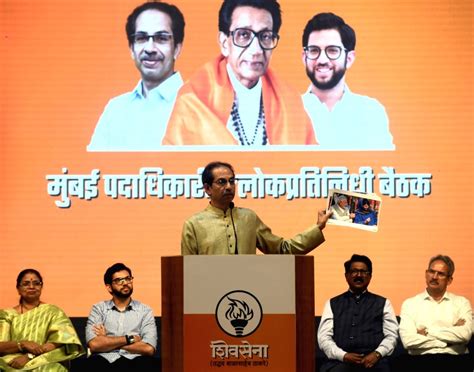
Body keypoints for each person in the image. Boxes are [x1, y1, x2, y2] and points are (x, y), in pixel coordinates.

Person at [163, 0, 315, 146]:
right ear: (224, 43)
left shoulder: (290, 101)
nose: (256, 50)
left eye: (266, 36)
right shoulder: (193, 99)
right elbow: (175, 165)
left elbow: (311, 162)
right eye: (243, 35)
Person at [87, 2, 185, 151]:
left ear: (177, 48)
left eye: (161, 38)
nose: (150, 49)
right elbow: (93, 168)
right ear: (131, 49)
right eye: (141, 38)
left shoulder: (199, 106)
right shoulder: (116, 109)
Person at [181, 161, 331, 255]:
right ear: (207, 188)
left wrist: (318, 227)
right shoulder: (194, 224)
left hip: (248, 295)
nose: (229, 187)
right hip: (208, 298)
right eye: (221, 182)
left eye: (232, 181)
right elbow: (186, 272)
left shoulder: (248, 218)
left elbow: (282, 249)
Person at [301, 13, 394, 150]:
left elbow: (385, 166)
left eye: (332, 50)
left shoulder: (371, 112)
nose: (322, 60)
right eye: (314, 50)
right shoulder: (286, 110)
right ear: (304, 57)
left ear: (349, 59)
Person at [317, 254, 398, 372]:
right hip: (340, 362)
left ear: (370, 276)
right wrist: (343, 355)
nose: (359, 275)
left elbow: (392, 336)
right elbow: (324, 338)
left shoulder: (384, 303)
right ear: (346, 276)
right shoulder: (332, 303)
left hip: (374, 362)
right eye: (354, 271)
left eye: (363, 272)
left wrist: (377, 354)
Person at [74, 263, 159, 371]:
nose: (125, 283)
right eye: (119, 280)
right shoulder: (99, 309)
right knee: (83, 365)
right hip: (104, 360)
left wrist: (108, 342)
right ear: (109, 287)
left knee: (152, 365)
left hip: (135, 360)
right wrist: (130, 339)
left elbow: (148, 349)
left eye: (128, 279)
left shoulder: (145, 310)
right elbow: (95, 345)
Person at [397, 254, 472, 372]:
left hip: (456, 360)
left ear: (449, 280)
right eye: (431, 272)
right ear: (426, 274)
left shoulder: (462, 303)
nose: (434, 277)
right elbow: (408, 341)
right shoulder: (410, 304)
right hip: (420, 362)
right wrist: (448, 340)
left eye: (441, 274)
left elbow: (465, 335)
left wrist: (427, 332)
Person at [0, 269, 84, 371]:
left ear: (41, 287)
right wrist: (22, 344)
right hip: (12, 361)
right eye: (26, 284)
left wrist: (29, 356)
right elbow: (1, 345)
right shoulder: (7, 315)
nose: (31, 287)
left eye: (36, 283)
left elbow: (59, 341)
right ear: (18, 289)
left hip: (44, 360)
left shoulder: (53, 312)